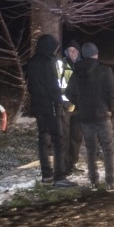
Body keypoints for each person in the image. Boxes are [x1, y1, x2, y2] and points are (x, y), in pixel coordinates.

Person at [64, 42, 114, 191]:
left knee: (91, 149)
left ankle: (93, 181)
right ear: (96, 54)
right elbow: (113, 92)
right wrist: (110, 108)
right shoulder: (105, 70)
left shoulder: (76, 72)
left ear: (83, 54)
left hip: (85, 116)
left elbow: (68, 93)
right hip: (102, 115)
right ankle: (110, 180)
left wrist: (80, 104)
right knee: (108, 148)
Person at [25, 34, 73, 188]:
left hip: (38, 108)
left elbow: (30, 87)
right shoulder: (49, 62)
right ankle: (60, 176)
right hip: (51, 107)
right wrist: (63, 103)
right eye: (55, 48)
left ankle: (46, 174)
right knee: (59, 140)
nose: (55, 51)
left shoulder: (31, 62)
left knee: (43, 140)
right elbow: (53, 87)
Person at [57, 40, 84, 175]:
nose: (73, 53)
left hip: (79, 108)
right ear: (66, 53)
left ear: (79, 53)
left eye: (75, 51)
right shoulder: (60, 66)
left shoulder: (82, 66)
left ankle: (73, 163)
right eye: (70, 50)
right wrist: (63, 103)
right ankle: (64, 167)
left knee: (76, 137)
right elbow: (55, 87)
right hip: (65, 108)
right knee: (65, 138)